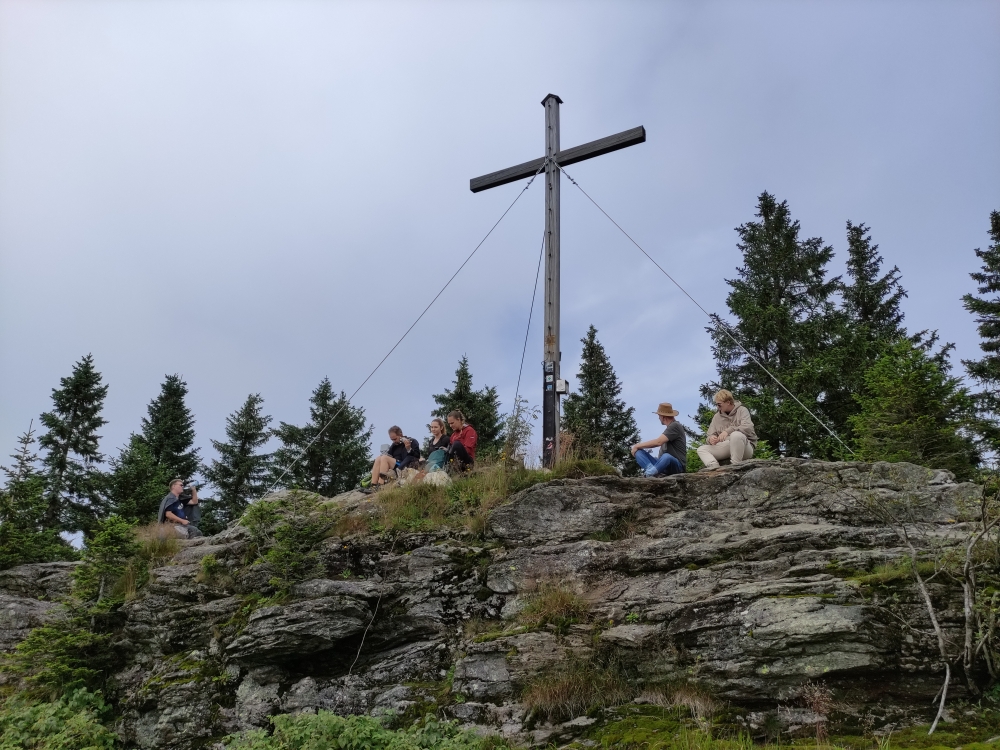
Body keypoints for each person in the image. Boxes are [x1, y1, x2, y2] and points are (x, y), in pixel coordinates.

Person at [696, 389, 758, 469]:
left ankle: (735, 467)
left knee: (736, 435)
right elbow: (710, 435)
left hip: (744, 446)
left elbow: (748, 427)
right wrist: (711, 439)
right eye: (716, 405)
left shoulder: (742, 410)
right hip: (726, 446)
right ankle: (714, 469)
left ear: (728, 402)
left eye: (719, 405)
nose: (717, 407)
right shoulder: (716, 417)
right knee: (701, 449)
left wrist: (728, 431)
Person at [630, 402, 687, 477]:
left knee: (667, 456)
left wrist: (637, 446)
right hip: (663, 467)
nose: (658, 418)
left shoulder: (675, 425)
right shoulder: (670, 428)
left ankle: (650, 473)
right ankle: (651, 471)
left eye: (659, 416)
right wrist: (637, 448)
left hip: (677, 466)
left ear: (663, 417)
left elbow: (658, 442)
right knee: (638, 452)